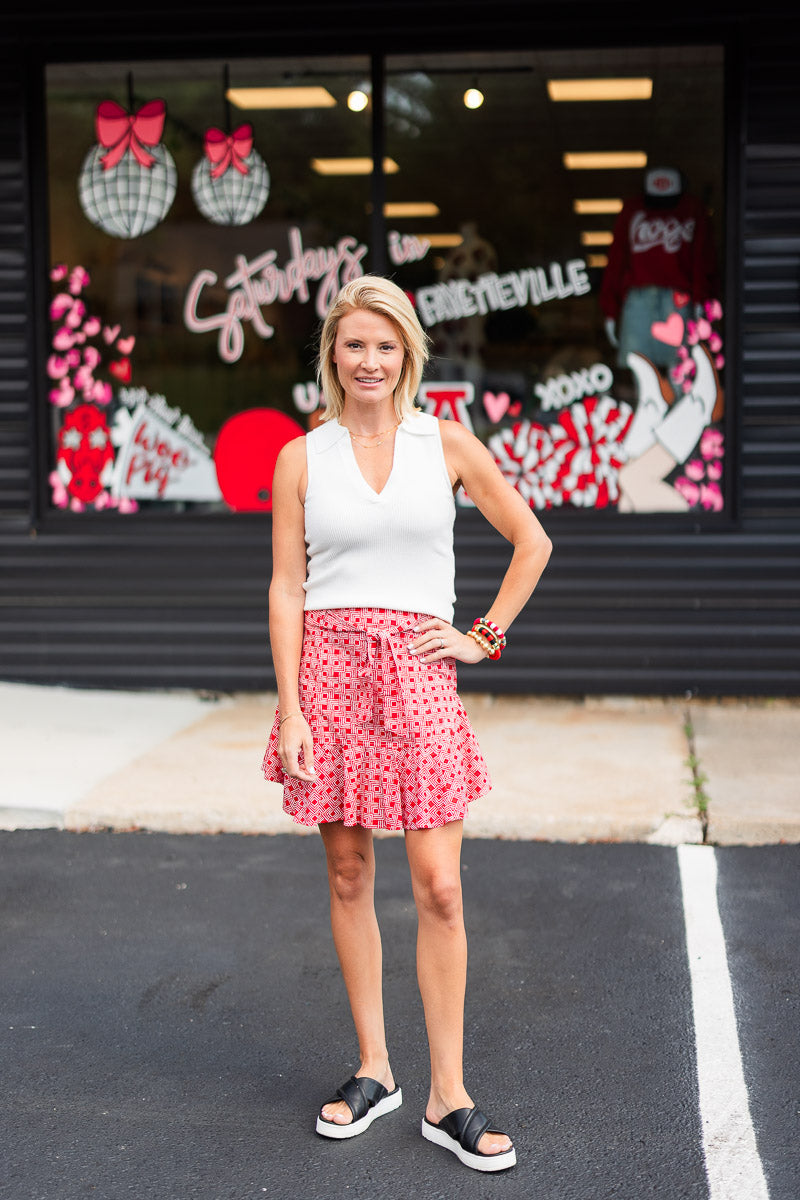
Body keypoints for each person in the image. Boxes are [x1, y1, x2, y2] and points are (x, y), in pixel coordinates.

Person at [262, 275, 551, 1173]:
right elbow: (286, 586)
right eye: (355, 344)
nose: (371, 360)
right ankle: (377, 1070)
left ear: (409, 354)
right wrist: (292, 704)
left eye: (387, 345)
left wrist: (482, 639)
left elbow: (531, 540)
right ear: (333, 355)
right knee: (349, 873)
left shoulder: (448, 445)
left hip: (420, 668)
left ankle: (447, 1097)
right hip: (331, 671)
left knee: (440, 887)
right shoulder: (302, 456)